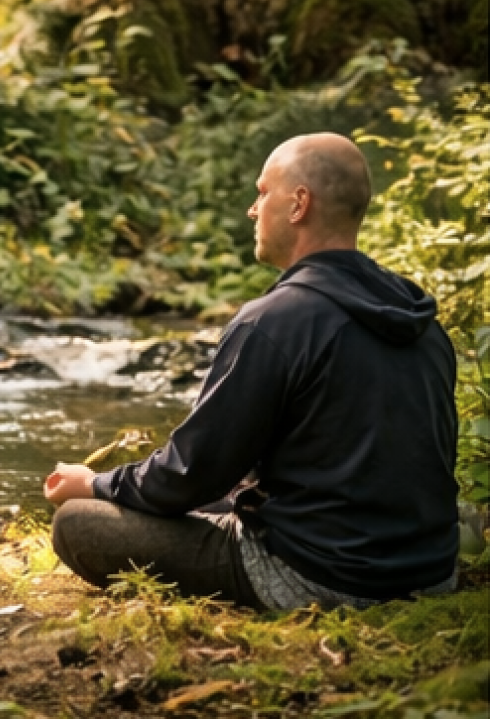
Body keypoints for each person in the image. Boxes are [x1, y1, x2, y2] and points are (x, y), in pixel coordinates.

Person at [43, 132, 459, 612]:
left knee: (77, 523)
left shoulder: (275, 321)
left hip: (323, 576)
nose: (253, 209)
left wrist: (94, 483)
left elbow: (189, 474)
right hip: (429, 572)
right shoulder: (419, 320)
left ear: (299, 204)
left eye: (263, 192)